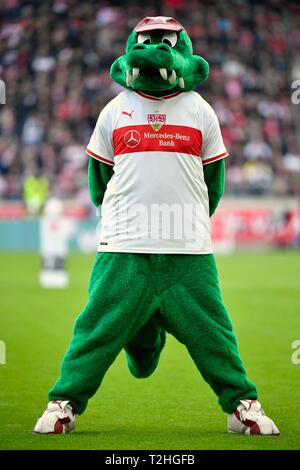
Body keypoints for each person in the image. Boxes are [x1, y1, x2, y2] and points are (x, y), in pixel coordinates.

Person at [34, 16, 279, 436]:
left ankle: (242, 404)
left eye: (166, 41)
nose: (157, 48)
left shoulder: (201, 110)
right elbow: (99, 181)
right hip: (124, 249)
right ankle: (64, 403)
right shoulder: (114, 110)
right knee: (95, 330)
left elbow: (212, 185)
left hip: (188, 252)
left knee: (214, 334)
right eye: (149, 41)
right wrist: (122, 222)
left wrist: (188, 223)